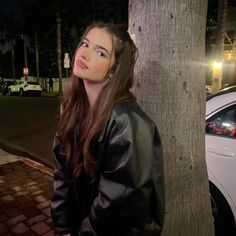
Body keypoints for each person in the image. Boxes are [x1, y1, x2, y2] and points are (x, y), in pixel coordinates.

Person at [51, 22, 165, 236]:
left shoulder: (128, 124)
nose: (84, 53)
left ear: (114, 70)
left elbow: (116, 209)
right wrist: (62, 230)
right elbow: (62, 178)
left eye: (101, 52)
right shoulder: (70, 108)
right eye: (85, 44)